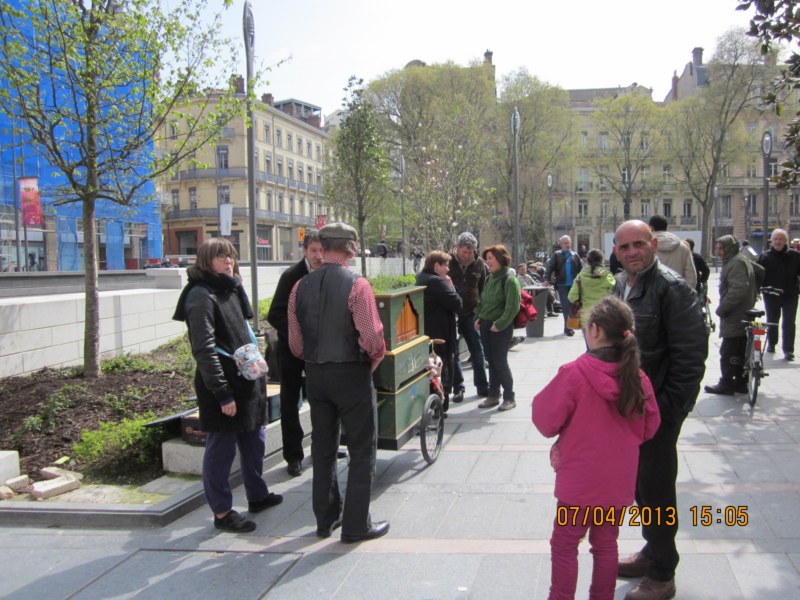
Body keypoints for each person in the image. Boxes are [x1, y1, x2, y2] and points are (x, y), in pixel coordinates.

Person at [533, 296, 660, 600]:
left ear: (595, 330)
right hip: (617, 482)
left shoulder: (574, 373)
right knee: (606, 544)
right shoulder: (637, 377)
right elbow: (650, 427)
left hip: (577, 485)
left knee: (564, 543)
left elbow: (545, 419)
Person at [612, 220, 707, 600]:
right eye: (624, 247)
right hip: (630, 408)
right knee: (641, 487)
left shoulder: (672, 288)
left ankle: (663, 573)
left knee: (657, 489)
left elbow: (691, 359)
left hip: (657, 412)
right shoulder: (623, 283)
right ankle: (652, 551)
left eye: (639, 244)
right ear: (616, 252)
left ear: (653, 244)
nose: (633, 251)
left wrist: (667, 413)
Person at [288, 221, 389, 543]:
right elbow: (372, 336)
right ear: (351, 248)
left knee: (323, 448)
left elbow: (296, 343)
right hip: (351, 375)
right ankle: (356, 524)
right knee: (361, 449)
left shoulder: (299, 286)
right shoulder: (357, 285)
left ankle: (325, 518)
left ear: (324, 244)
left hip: (316, 375)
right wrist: (375, 356)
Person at [173, 238, 283, 533]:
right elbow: (205, 350)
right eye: (220, 256)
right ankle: (222, 512)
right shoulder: (200, 296)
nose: (228, 261)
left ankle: (257, 495)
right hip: (224, 386)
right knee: (221, 449)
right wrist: (222, 394)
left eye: (230, 255)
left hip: (247, 381)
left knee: (254, 439)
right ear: (206, 260)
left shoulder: (231, 287)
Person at [266, 229, 323, 477]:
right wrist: (299, 334)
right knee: (290, 402)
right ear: (304, 250)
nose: (319, 256)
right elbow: (274, 314)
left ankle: (323, 447)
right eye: (314, 251)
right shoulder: (291, 276)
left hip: (318, 351)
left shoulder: (327, 273)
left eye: (322, 251)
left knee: (321, 398)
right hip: (290, 351)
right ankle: (293, 456)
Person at [704, 235, 758, 395]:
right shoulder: (738, 259)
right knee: (740, 348)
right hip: (741, 310)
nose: (718, 252)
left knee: (729, 350)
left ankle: (726, 383)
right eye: (717, 248)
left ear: (729, 248)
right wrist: (755, 292)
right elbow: (759, 271)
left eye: (721, 248)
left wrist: (723, 308)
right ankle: (741, 383)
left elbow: (738, 289)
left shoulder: (735, 263)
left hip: (736, 313)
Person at [474, 244, 521, 411]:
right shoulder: (489, 278)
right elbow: (483, 301)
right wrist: (478, 317)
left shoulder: (510, 280)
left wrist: (499, 324)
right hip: (486, 325)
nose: (488, 262)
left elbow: (512, 307)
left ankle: (509, 397)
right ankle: (493, 395)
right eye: (487, 259)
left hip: (500, 327)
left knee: (500, 363)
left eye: (490, 259)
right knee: (491, 362)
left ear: (500, 259)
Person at [415, 251, 463, 414]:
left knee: (430, 368)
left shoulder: (420, 278)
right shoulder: (436, 281)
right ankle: (441, 406)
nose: (448, 269)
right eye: (446, 265)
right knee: (442, 367)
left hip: (426, 332)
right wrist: (450, 286)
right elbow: (457, 304)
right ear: (436, 266)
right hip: (441, 334)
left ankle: (432, 405)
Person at [450, 231, 490, 402]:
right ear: (457, 248)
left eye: (470, 252)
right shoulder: (446, 262)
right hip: (451, 313)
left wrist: (480, 312)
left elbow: (485, 291)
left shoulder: (480, 265)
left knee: (477, 351)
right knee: (453, 353)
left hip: (471, 313)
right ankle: (458, 388)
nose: (466, 255)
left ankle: (482, 386)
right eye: (464, 251)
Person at [757, 228, 800, 361]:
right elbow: (758, 275)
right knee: (772, 320)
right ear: (771, 241)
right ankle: (771, 343)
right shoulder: (764, 256)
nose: (778, 242)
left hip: (790, 295)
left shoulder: (795, 255)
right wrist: (757, 290)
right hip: (771, 295)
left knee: (789, 322)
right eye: (775, 239)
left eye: (781, 239)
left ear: (786, 241)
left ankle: (788, 350)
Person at [544, 235, 584, 336]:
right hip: (562, 285)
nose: (566, 245)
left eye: (567, 243)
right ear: (561, 244)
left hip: (575, 285)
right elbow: (550, 268)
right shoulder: (557, 255)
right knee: (566, 307)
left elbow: (581, 270)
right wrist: (546, 280)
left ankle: (571, 325)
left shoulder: (575, 255)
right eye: (564, 243)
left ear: (570, 243)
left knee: (573, 307)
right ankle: (568, 328)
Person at [567, 248, 616, 327]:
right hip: (603, 316)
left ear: (587, 260)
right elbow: (615, 294)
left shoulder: (580, 276)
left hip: (586, 318)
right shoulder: (608, 276)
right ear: (602, 260)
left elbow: (571, 297)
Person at [647, 215, 697, 289]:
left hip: (651, 294)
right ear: (667, 228)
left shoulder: (645, 248)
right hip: (677, 294)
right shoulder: (683, 247)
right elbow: (691, 276)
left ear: (651, 228)